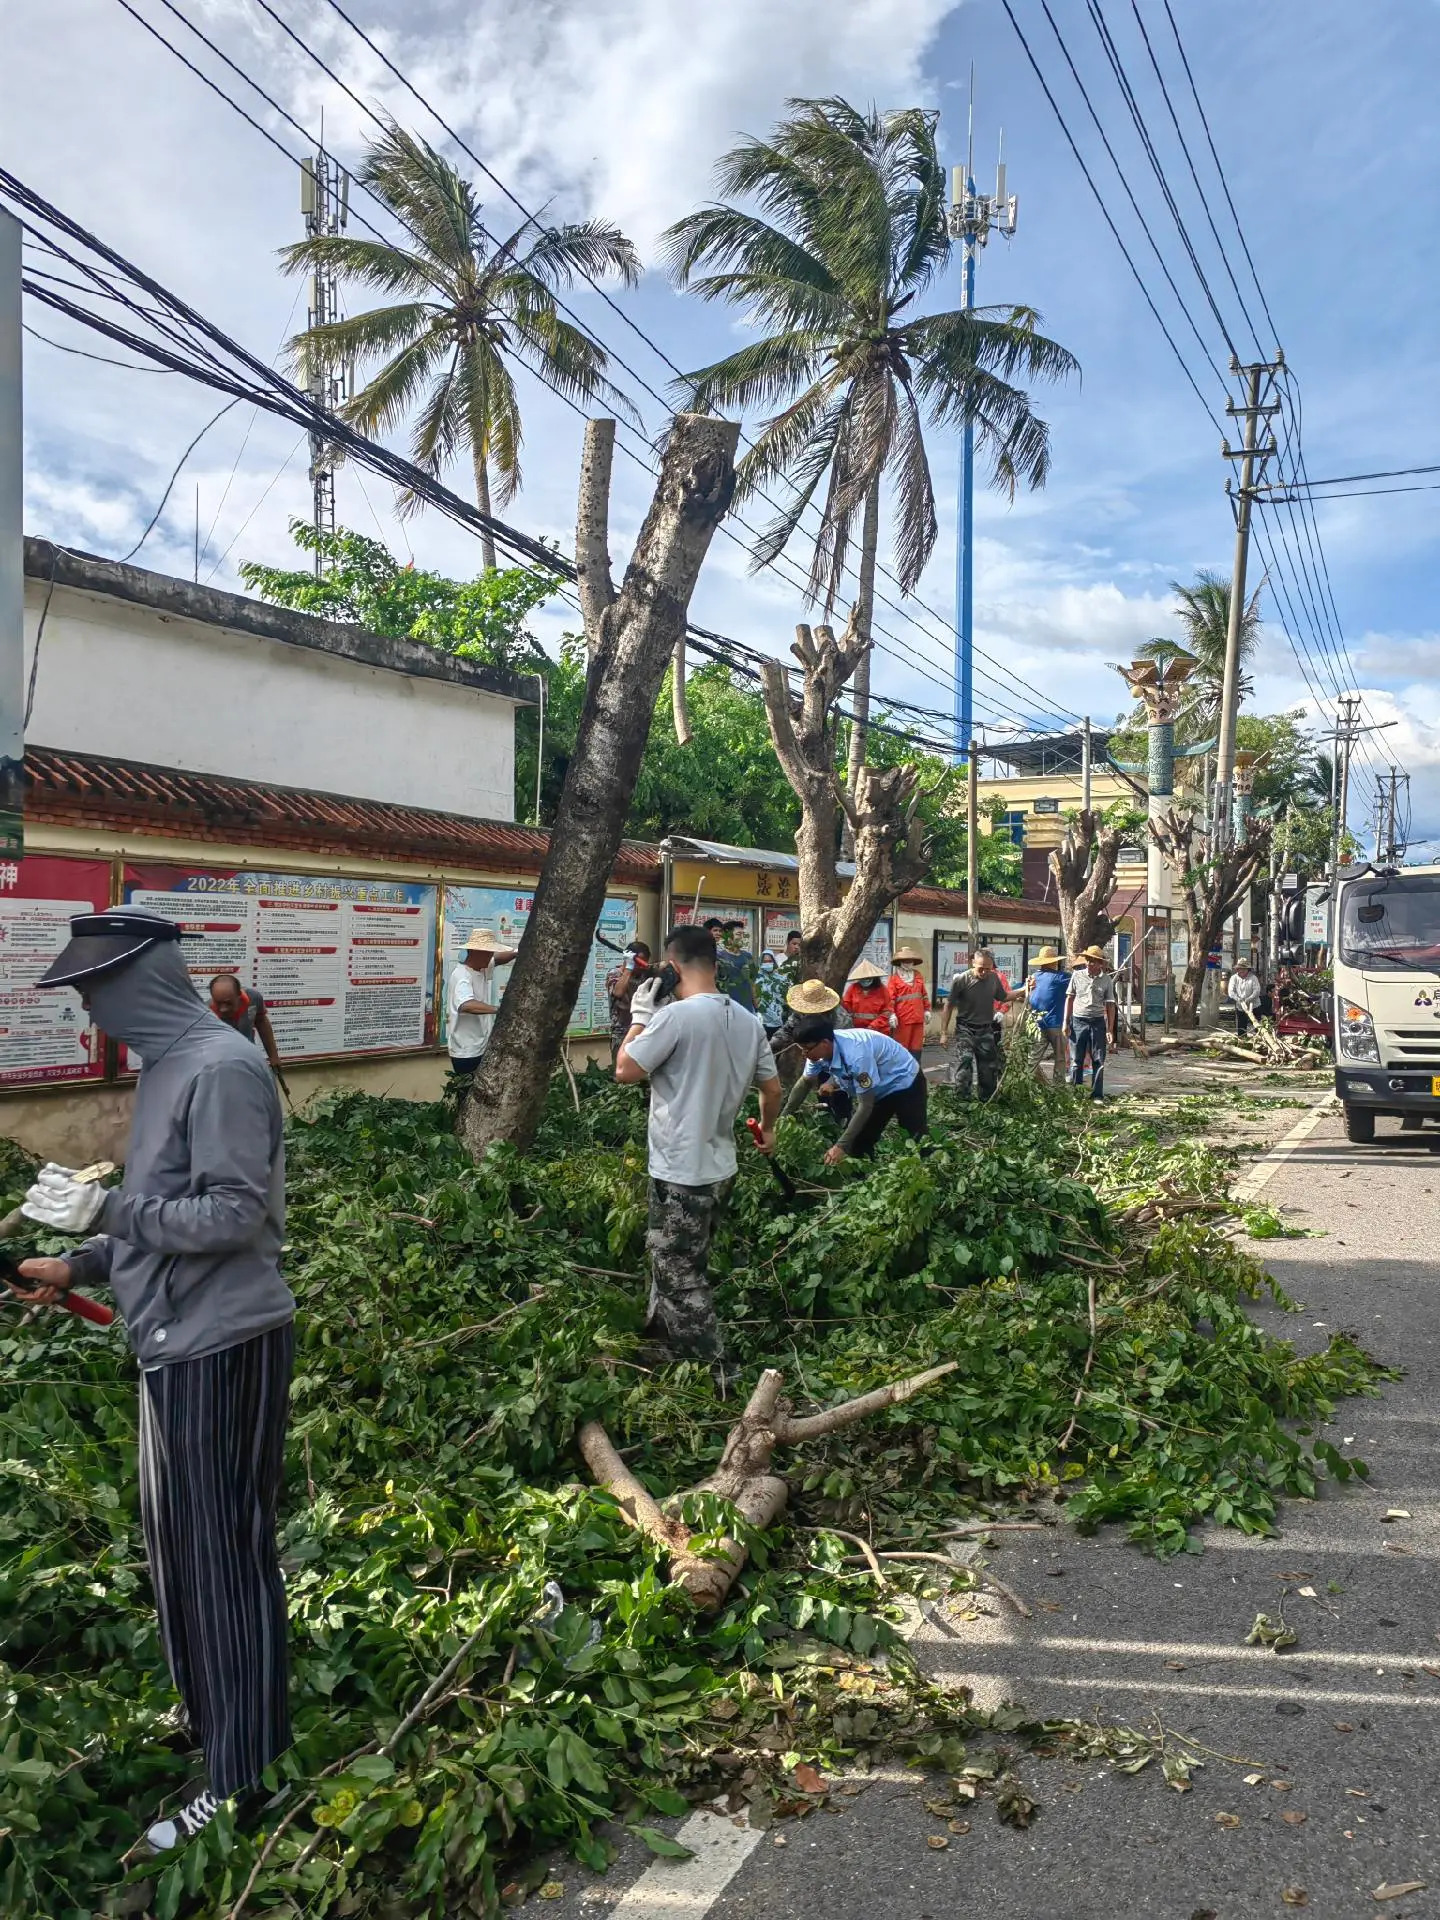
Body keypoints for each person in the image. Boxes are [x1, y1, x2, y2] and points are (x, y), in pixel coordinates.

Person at [8, 909, 291, 1856]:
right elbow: (164, 1206)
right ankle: (212, 1717)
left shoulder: (222, 1069)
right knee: (178, 1550)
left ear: (143, 982)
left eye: (96, 991)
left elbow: (235, 1215)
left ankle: (246, 1777)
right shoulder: (167, 1067)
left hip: (223, 1344)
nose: (91, 1011)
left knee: (223, 1556)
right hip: (171, 1340)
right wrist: (80, 1263)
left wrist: (106, 1208)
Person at [615, 924, 781, 1384]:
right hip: (720, 1165)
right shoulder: (748, 1021)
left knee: (677, 1270)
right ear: (715, 964)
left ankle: (719, 1372)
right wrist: (768, 1130)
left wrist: (640, 1016)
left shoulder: (674, 1018)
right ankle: (661, 1340)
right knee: (682, 1258)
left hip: (680, 1170)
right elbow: (771, 1088)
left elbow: (625, 1070)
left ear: (672, 966)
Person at [783, 1016, 929, 1163]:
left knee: (915, 1137)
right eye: (801, 1049)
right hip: (878, 1086)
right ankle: (864, 1173)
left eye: (806, 1049)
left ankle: (929, 1166)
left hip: (905, 1080)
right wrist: (781, 1119)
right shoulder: (815, 1052)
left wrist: (840, 1146)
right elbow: (805, 1082)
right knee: (858, 1143)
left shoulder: (857, 1056)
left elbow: (865, 1105)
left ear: (825, 1043)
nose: (804, 1054)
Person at [939, 949, 1012, 1101]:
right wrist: (943, 1033)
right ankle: (963, 1102)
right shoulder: (962, 980)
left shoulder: (993, 978)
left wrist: (1024, 990)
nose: (984, 972)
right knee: (965, 1062)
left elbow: (1004, 996)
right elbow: (948, 1006)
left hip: (985, 1029)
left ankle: (987, 1101)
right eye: (981, 968)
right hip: (965, 1029)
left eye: (988, 968)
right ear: (973, 962)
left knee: (988, 1068)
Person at [446, 928, 519, 1077]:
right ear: (475, 952)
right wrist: (500, 1009)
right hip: (466, 1051)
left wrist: (518, 951)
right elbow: (466, 1005)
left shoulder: (481, 968)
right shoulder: (462, 976)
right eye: (488, 952)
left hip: (480, 1047)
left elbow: (499, 959)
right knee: (469, 1089)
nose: (491, 956)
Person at [1066, 945, 1117, 1101]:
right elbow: (1069, 998)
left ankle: (1097, 1094)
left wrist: (1110, 1029)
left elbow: (1110, 1005)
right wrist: (1065, 1022)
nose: (1089, 963)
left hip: (1097, 1022)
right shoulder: (1077, 976)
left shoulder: (1106, 980)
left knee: (1098, 1060)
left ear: (1100, 964)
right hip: (1078, 1020)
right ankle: (1076, 1093)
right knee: (1076, 1060)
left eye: (1093, 961)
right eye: (1088, 960)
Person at [209, 973, 282, 1071]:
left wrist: (273, 1056)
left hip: (250, 1059)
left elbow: (261, 1021)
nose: (223, 1009)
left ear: (239, 996)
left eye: (228, 1003)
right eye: (218, 1003)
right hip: (222, 1065)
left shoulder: (254, 998)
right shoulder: (207, 1014)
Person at [1024, 947, 1070, 1081]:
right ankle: (1058, 1086)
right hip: (1056, 1024)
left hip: (1037, 1024)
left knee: (1033, 1057)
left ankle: (1026, 1081)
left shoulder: (1034, 977)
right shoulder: (1062, 978)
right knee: (1060, 1058)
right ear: (1055, 962)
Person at [605, 941, 652, 1063]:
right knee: (622, 1069)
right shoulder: (614, 974)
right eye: (639, 963)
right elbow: (618, 992)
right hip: (621, 1033)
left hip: (642, 1032)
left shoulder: (644, 975)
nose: (641, 967)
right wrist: (629, 968)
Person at [703, 917, 757, 1014]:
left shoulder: (748, 957)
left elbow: (753, 984)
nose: (742, 937)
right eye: (738, 934)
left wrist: (757, 1007)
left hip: (747, 1009)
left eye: (743, 934)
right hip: (725, 1009)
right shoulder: (717, 957)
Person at [888, 944, 931, 1059]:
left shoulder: (918, 975)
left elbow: (924, 995)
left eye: (909, 960)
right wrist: (891, 1014)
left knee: (916, 1047)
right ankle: (902, 1069)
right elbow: (890, 999)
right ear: (900, 962)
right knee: (902, 1047)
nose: (907, 963)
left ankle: (916, 1069)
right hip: (902, 1020)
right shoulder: (894, 979)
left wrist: (927, 1010)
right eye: (905, 961)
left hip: (918, 1018)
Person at [842, 958, 895, 1034]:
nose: (865, 980)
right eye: (863, 978)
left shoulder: (882, 990)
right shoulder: (853, 988)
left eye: (868, 978)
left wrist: (873, 1026)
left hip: (878, 1030)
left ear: (874, 978)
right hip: (856, 1030)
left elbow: (887, 1011)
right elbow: (846, 1006)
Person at [756, 949, 788, 1038]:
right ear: (761, 963)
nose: (767, 963)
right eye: (765, 961)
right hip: (762, 1021)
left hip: (779, 1020)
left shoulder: (782, 979)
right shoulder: (756, 979)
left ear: (774, 962)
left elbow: (786, 999)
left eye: (770, 961)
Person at [1228, 957, 1263, 1028]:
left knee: (1257, 1027)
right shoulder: (1234, 978)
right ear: (1237, 969)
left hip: (1254, 1005)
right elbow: (1231, 992)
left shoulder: (1253, 978)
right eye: (1240, 968)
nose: (1242, 970)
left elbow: (1257, 991)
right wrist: (1239, 999)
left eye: (1244, 969)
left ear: (1248, 969)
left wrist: (1249, 999)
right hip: (1240, 1006)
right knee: (1241, 1027)